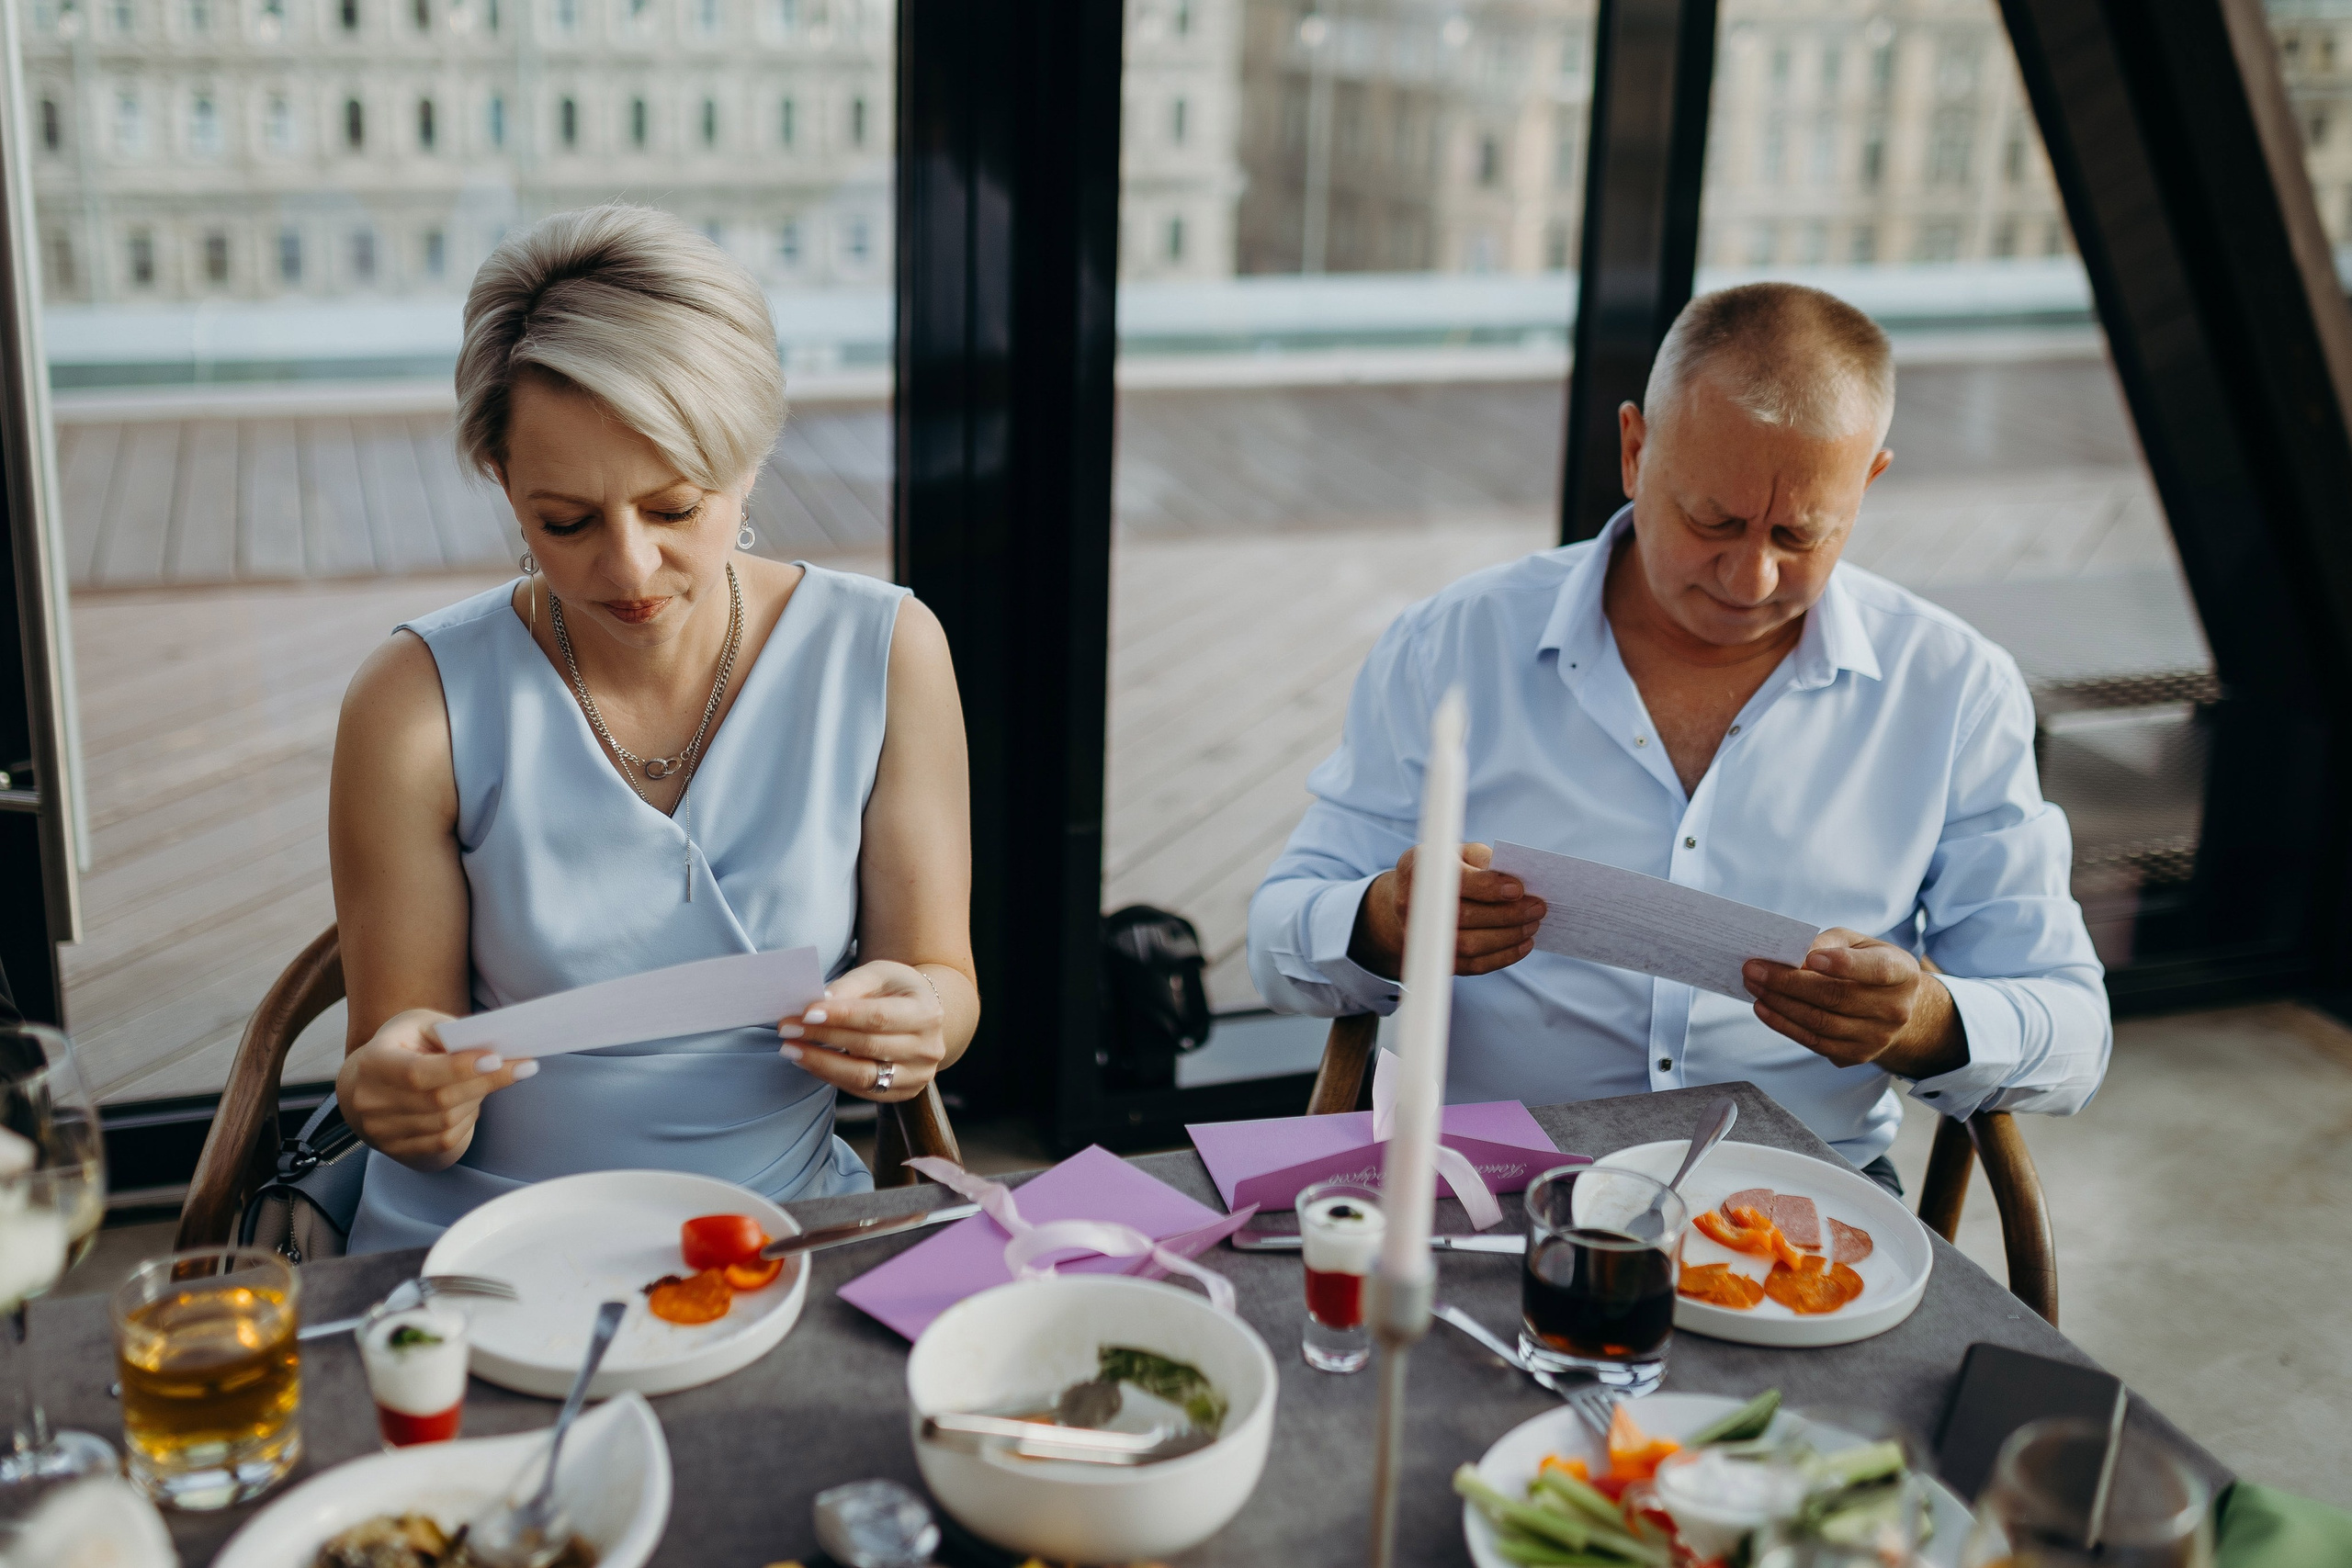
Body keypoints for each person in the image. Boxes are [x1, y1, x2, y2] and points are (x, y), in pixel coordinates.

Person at [1248, 282, 2109, 1186]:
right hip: (1493, 1183)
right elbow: (1276, 938)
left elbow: (2073, 1031)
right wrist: (1380, 922)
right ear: (1634, 450)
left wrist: (1925, 1020)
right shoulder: (1452, 645)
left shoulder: (1954, 687)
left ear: (1869, 483)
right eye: (1715, 521)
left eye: (1799, 532)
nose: (1750, 576)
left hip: (1796, 1197)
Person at [332, 205, 977, 1252]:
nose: (627, 571)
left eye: (676, 508)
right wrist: (395, 1088)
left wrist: (915, 1026)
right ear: (502, 477)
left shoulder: (888, 651)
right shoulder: (412, 701)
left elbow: (942, 981)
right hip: (483, 1244)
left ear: (751, 458)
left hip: (777, 1234)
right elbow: (392, 1045)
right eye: (566, 522)